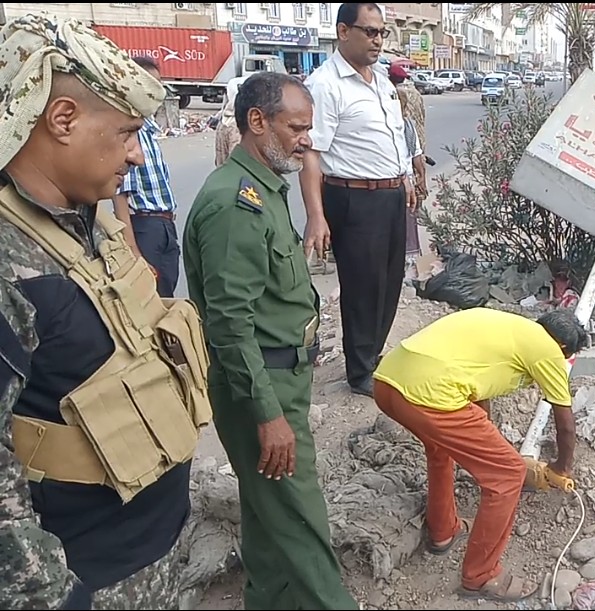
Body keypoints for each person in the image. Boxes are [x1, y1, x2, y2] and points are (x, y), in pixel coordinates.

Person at [0, 13, 214, 609]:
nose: (137, 157)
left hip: (158, 551)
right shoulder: (9, 261)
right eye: (124, 134)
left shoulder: (90, 221)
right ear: (61, 119)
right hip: (85, 582)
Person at [183, 71, 360, 611]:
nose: (306, 139)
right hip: (262, 388)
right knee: (304, 524)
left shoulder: (263, 188)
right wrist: (268, 415)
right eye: (297, 127)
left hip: (281, 378)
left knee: (267, 513)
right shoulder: (235, 205)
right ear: (256, 123)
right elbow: (229, 323)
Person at [372, 307, 586, 602]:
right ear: (563, 347)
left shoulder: (509, 327)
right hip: (430, 395)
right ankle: (481, 576)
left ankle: (443, 531)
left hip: (387, 382)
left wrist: (486, 443)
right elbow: (565, 424)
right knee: (508, 474)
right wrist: (562, 467)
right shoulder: (548, 349)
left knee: (440, 449)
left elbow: (475, 379)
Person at [300, 2, 420, 398]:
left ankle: (372, 355)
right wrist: (316, 216)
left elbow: (393, 135)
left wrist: (405, 177)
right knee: (363, 285)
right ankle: (359, 371)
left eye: (382, 33)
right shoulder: (326, 85)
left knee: (389, 281)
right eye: (369, 31)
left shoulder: (382, 80)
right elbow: (312, 154)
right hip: (353, 198)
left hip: (389, 195)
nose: (378, 40)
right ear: (342, 31)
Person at [110, 56, 181, 297]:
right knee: (152, 297)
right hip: (144, 226)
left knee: (167, 291)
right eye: (149, 84)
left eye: (159, 85)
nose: (155, 92)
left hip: (165, 224)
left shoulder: (148, 129)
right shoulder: (129, 129)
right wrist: (133, 250)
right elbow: (120, 195)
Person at [397, 85, 427, 281]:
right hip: (392, 180)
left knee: (408, 222)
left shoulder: (407, 126)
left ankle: (408, 264)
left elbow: (416, 153)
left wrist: (422, 177)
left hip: (405, 180)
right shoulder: (385, 126)